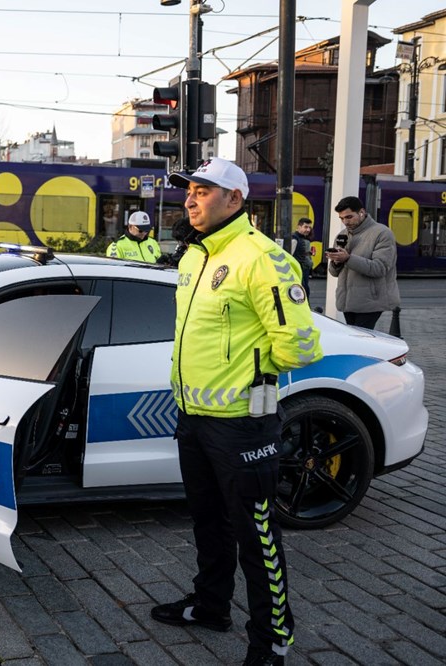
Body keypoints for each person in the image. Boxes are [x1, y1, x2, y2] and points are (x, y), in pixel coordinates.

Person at [154, 158, 322, 666]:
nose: (191, 199)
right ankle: (210, 606)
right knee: (208, 521)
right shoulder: (192, 256)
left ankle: (272, 640)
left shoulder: (261, 258)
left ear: (235, 200)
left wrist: (255, 374)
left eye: (204, 191)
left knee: (256, 535)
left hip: (244, 425)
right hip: (194, 415)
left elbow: (300, 344)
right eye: (190, 190)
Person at [326, 196, 400, 329]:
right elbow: (334, 273)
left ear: (362, 212)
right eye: (342, 218)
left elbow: (380, 268)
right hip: (347, 302)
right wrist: (336, 262)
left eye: (349, 217)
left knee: (363, 340)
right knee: (356, 340)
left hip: (371, 302)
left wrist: (348, 258)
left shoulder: (382, 233)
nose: (345, 222)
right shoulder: (342, 235)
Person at [291, 217, 313, 299]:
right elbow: (290, 256)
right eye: (305, 227)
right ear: (299, 227)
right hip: (299, 271)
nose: (308, 230)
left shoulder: (301, 238)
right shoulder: (295, 239)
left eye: (309, 227)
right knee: (304, 292)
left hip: (303, 270)